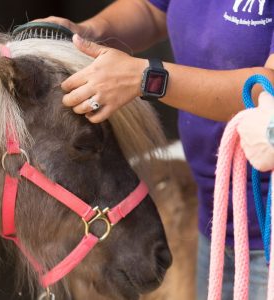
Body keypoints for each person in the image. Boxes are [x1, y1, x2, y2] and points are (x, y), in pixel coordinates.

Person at [36, 1, 274, 299]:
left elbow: (269, 88)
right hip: (216, 219)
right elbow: (150, 9)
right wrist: (89, 33)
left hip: (267, 229)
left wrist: (148, 78)